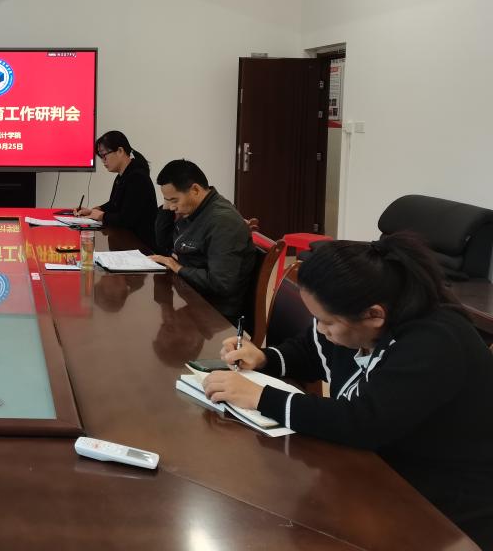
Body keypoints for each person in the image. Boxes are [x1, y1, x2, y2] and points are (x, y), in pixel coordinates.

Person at [204, 234, 493, 548]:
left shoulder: (435, 343)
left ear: (374, 315)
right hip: (379, 471)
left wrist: (260, 397)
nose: (320, 329)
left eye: (327, 322)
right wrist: (264, 358)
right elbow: (312, 350)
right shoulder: (358, 320)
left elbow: (362, 422)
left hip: (444, 506)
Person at [149, 159, 256, 327]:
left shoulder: (223, 222)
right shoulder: (196, 210)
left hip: (216, 314)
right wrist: (167, 203)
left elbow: (221, 283)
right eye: (166, 200)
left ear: (195, 190)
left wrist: (177, 267)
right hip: (193, 296)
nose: (170, 207)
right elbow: (163, 244)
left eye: (174, 200)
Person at [75, 131, 157, 248]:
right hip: (125, 240)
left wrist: (101, 216)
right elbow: (114, 204)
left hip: (139, 245)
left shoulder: (137, 177)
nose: (103, 161)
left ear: (120, 151)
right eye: (101, 157)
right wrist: (95, 210)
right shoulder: (122, 175)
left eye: (104, 155)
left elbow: (126, 219)